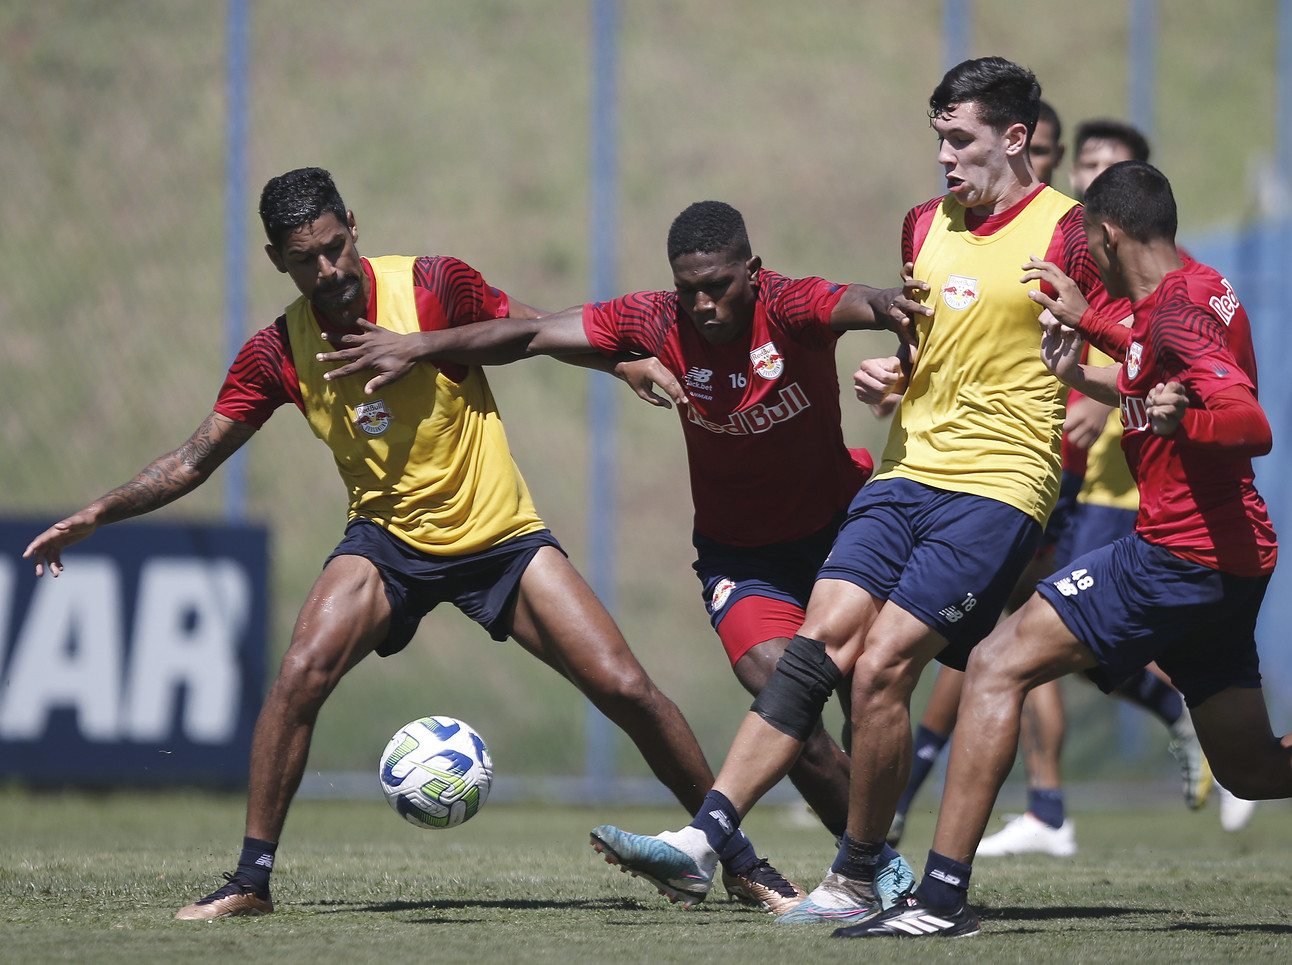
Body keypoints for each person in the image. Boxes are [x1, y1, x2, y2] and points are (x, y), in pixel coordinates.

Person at [22, 168, 800, 920]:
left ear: (353, 226)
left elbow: (524, 327)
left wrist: (622, 357)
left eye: (335, 246)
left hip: (500, 538)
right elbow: (193, 458)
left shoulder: (431, 285)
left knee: (627, 687)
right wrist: (100, 511)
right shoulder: (282, 350)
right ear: (277, 262)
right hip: (387, 544)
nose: (328, 269)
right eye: (304, 259)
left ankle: (737, 863)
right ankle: (250, 879)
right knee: (299, 672)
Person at [835, 160, 1292, 939]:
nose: (1085, 258)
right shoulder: (1198, 289)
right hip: (1232, 557)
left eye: (1089, 245)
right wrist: (1085, 334)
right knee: (1250, 766)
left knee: (996, 662)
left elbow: (1249, 421)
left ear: (1109, 234)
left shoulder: (1177, 314)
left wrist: (1179, 424)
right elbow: (1147, 347)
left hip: (1177, 553)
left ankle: (938, 898)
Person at [588, 57, 1117, 925]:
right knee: (817, 644)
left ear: (1015, 140)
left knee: (881, 669)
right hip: (906, 469)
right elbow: (932, 353)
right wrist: (896, 380)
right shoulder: (922, 224)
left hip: (999, 486)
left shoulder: (1069, 233)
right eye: (937, 138)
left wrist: (1094, 384)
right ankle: (705, 839)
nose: (943, 156)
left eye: (961, 139)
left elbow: (1134, 341)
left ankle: (858, 870)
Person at [315, 198, 924, 913]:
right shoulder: (656, 320)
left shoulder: (787, 306)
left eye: (719, 284)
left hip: (837, 530)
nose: (703, 303)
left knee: (866, 697)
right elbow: (536, 332)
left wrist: (887, 304)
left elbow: (852, 301)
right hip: (740, 557)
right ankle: (876, 866)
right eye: (688, 286)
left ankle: (875, 850)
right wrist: (418, 345)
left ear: (751, 274)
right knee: (782, 692)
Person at [889, 115, 1225, 858]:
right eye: (1080, 163)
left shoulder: (1165, 278)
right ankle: (1040, 803)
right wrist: (910, 382)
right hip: (1039, 472)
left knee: (1001, 640)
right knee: (997, 637)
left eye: (1106, 166)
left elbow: (1179, 366)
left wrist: (1098, 406)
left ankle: (1169, 711)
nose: (1082, 176)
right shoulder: (1048, 245)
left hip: (1112, 491)